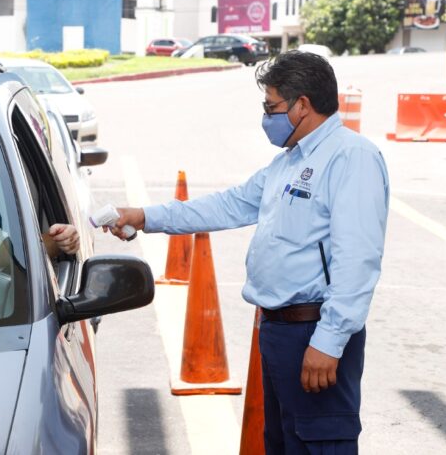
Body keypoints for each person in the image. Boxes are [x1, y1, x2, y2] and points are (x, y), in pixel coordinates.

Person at [107, 51, 389, 454]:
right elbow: (227, 205)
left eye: (271, 107)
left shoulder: (351, 158)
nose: (266, 117)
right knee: (282, 443)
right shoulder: (288, 163)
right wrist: (143, 215)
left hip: (313, 332)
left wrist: (329, 341)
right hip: (279, 332)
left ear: (302, 105)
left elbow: (358, 260)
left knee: (319, 443)